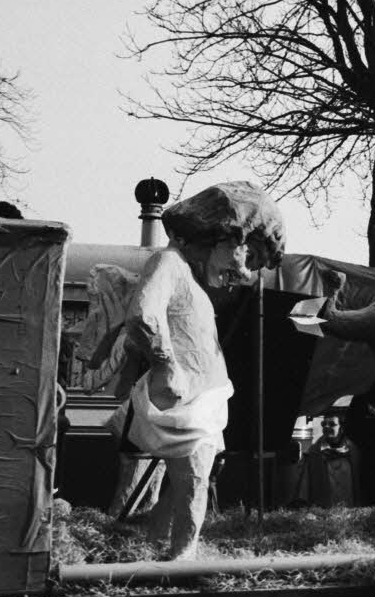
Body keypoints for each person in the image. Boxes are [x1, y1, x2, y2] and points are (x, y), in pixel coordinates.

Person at [105, 181, 286, 560]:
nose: (244, 272)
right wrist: (167, 364)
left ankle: (156, 548)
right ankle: (182, 558)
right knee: (194, 482)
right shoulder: (169, 263)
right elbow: (143, 316)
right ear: (226, 237)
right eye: (248, 256)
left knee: (188, 483)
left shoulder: (193, 280)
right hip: (183, 401)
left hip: (201, 400)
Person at [295, 413, 360, 508]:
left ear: (341, 427)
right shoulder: (315, 452)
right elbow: (305, 485)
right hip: (324, 509)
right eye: (323, 424)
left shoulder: (352, 451)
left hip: (349, 508)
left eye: (332, 424)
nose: (326, 427)